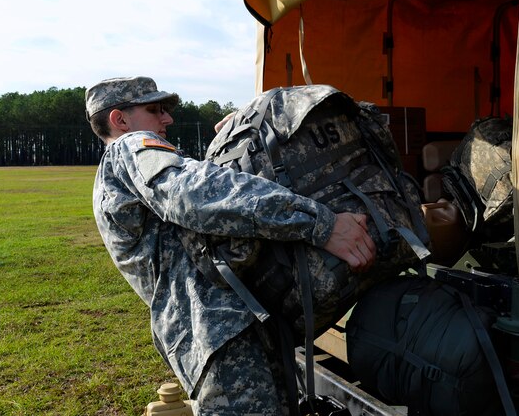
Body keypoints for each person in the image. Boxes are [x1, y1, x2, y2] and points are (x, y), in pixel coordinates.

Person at [86, 76, 376, 416]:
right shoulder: (129, 147)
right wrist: (321, 223)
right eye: (155, 110)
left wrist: (234, 137)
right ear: (119, 120)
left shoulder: (125, 169)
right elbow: (197, 194)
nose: (168, 119)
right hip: (218, 334)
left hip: (228, 330)